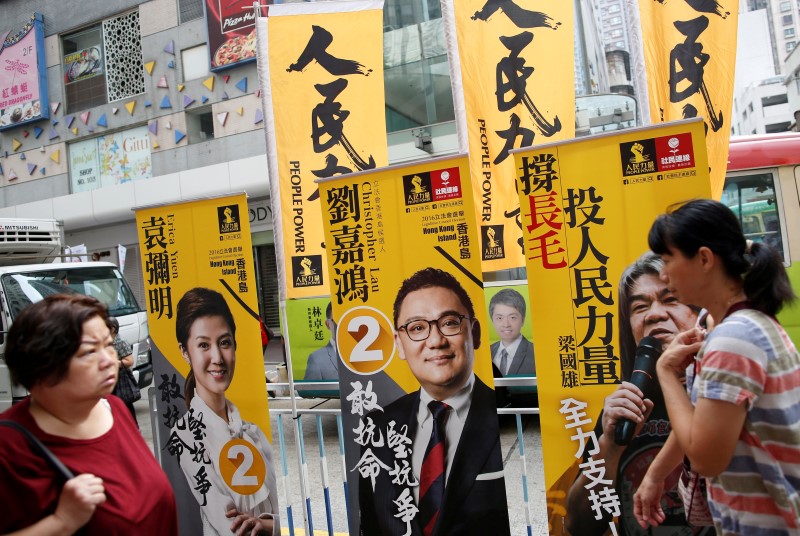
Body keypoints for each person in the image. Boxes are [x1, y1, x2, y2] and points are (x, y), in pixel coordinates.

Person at [636, 199, 799, 534]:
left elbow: (707, 458)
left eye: (668, 260)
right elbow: (702, 419)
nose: (664, 276)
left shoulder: (734, 338)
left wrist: (666, 374)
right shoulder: (715, 324)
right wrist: (655, 475)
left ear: (705, 259)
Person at [0, 294, 177, 534]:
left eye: (108, 345)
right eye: (89, 352)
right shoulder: (9, 447)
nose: (109, 360)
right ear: (42, 366)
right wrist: (62, 522)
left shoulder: (114, 408)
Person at [566, 252, 713, 535]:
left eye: (670, 299)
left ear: (701, 313)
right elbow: (580, 526)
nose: (654, 314)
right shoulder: (625, 409)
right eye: (639, 307)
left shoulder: (727, 392)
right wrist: (610, 445)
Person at [359, 267, 510, 536]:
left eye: (450, 322)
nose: (435, 340)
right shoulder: (377, 425)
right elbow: (371, 523)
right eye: (417, 328)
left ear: (473, 333)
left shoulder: (508, 415)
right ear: (399, 344)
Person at [170, 287, 280, 536]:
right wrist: (269, 525)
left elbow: (282, 510)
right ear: (185, 352)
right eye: (203, 345)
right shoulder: (186, 435)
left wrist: (266, 524)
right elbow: (231, 526)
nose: (218, 357)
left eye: (224, 343)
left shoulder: (253, 432)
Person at [489, 288, 535, 377]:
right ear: (492, 320)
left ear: (523, 320)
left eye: (512, 317)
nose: (506, 324)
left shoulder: (535, 353)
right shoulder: (487, 352)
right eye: (499, 318)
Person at [109, 316, 138, 426]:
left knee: (126, 404)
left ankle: (134, 429)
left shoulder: (120, 341)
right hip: (112, 379)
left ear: (112, 329)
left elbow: (130, 361)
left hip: (121, 381)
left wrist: (115, 362)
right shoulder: (107, 342)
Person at [303, 301, 339, 381]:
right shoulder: (316, 358)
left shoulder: (365, 353)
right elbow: (310, 391)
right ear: (327, 324)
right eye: (337, 320)